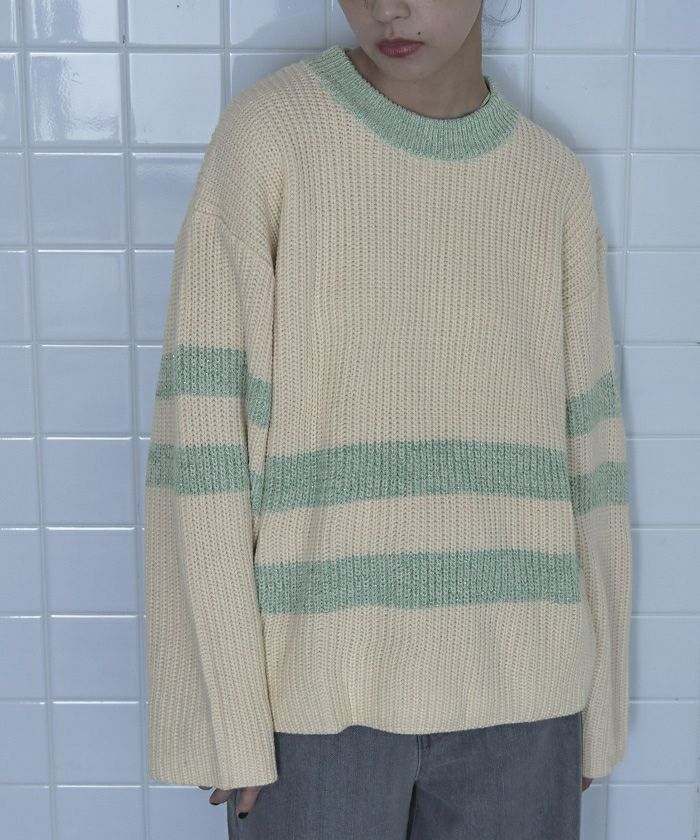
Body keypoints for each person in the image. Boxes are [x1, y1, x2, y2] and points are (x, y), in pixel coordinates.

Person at [143, 1, 633, 837]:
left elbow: (592, 454)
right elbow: (203, 440)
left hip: (529, 706)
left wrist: (603, 710)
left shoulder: (550, 179)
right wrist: (226, 719)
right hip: (311, 711)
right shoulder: (271, 138)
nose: (388, 7)